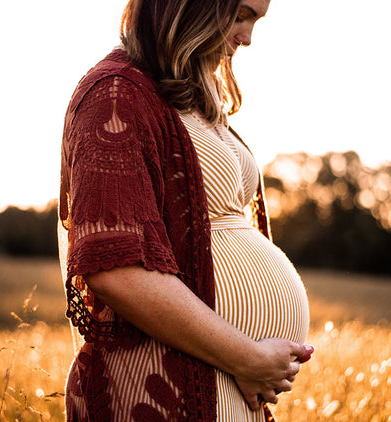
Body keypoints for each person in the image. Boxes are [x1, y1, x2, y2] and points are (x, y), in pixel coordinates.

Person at [58, 0, 313, 421]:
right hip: (163, 385)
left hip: (224, 379)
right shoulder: (115, 93)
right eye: (242, 14)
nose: (247, 38)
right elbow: (114, 268)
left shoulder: (194, 95)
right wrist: (246, 356)